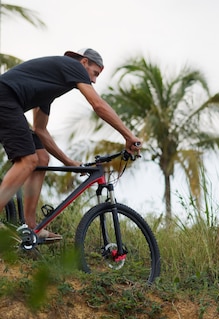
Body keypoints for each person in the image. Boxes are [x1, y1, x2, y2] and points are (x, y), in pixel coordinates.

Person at [0, 48, 141, 241]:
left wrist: (68, 161)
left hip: (8, 101)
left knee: (41, 158)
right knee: (28, 160)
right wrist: (128, 135)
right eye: (95, 73)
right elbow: (98, 105)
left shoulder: (48, 87)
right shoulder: (73, 66)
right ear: (84, 63)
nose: (94, 81)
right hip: (5, 97)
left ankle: (32, 227)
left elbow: (41, 130)